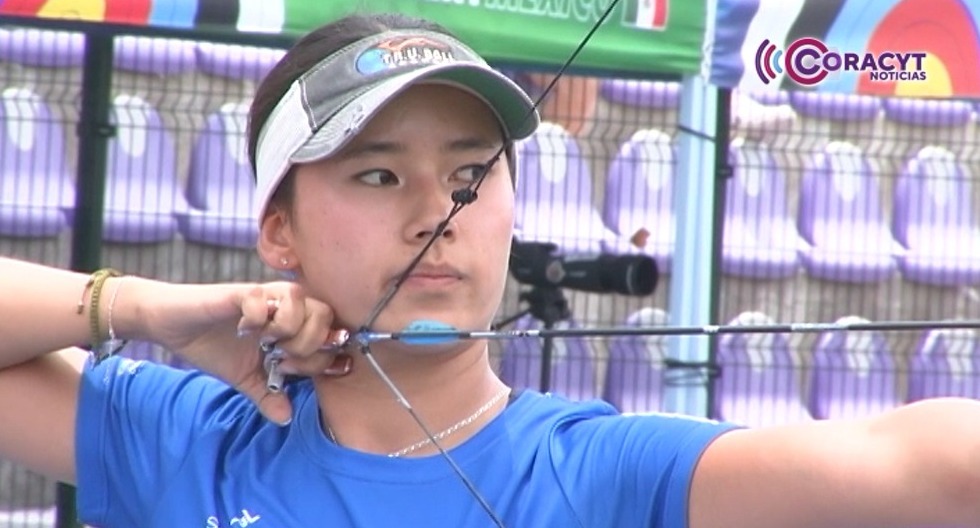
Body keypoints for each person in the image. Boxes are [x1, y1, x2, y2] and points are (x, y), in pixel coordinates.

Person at [1, 11, 980, 528]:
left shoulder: (603, 472)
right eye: (379, 174)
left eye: (471, 176)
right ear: (279, 232)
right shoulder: (192, 440)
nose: (439, 213)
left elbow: (929, 471)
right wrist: (141, 307)